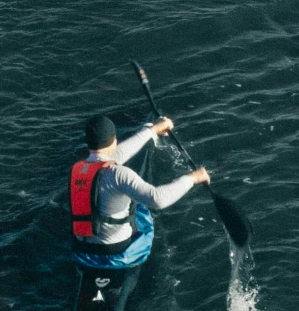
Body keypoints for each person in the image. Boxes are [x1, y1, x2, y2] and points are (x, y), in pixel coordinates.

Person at [69, 113, 210, 265]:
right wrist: (192, 178)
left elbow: (115, 155)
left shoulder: (77, 169)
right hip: (114, 251)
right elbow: (157, 199)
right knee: (140, 209)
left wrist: (151, 130)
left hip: (83, 247)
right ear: (114, 141)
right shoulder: (119, 174)